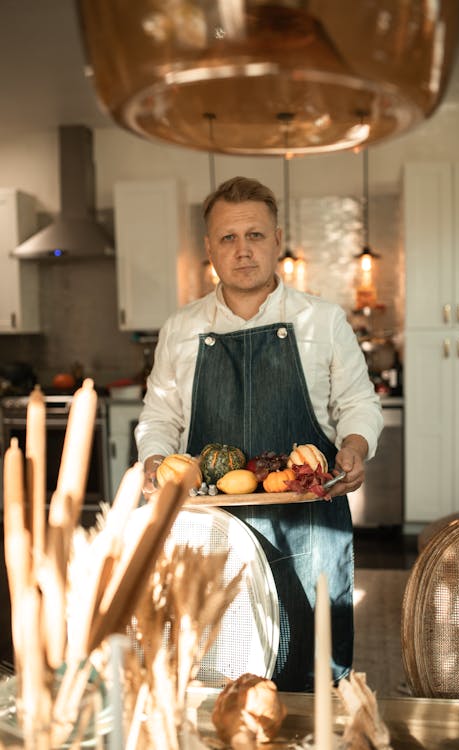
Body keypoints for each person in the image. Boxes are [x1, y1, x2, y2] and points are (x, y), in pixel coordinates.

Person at [135, 176, 383, 691]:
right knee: (220, 669)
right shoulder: (181, 330)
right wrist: (155, 461)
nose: (242, 251)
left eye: (255, 236)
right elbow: (159, 418)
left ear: (276, 239)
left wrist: (355, 447)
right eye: (228, 238)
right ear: (209, 249)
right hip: (212, 529)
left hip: (311, 523)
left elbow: (358, 403)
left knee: (312, 675)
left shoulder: (324, 319)